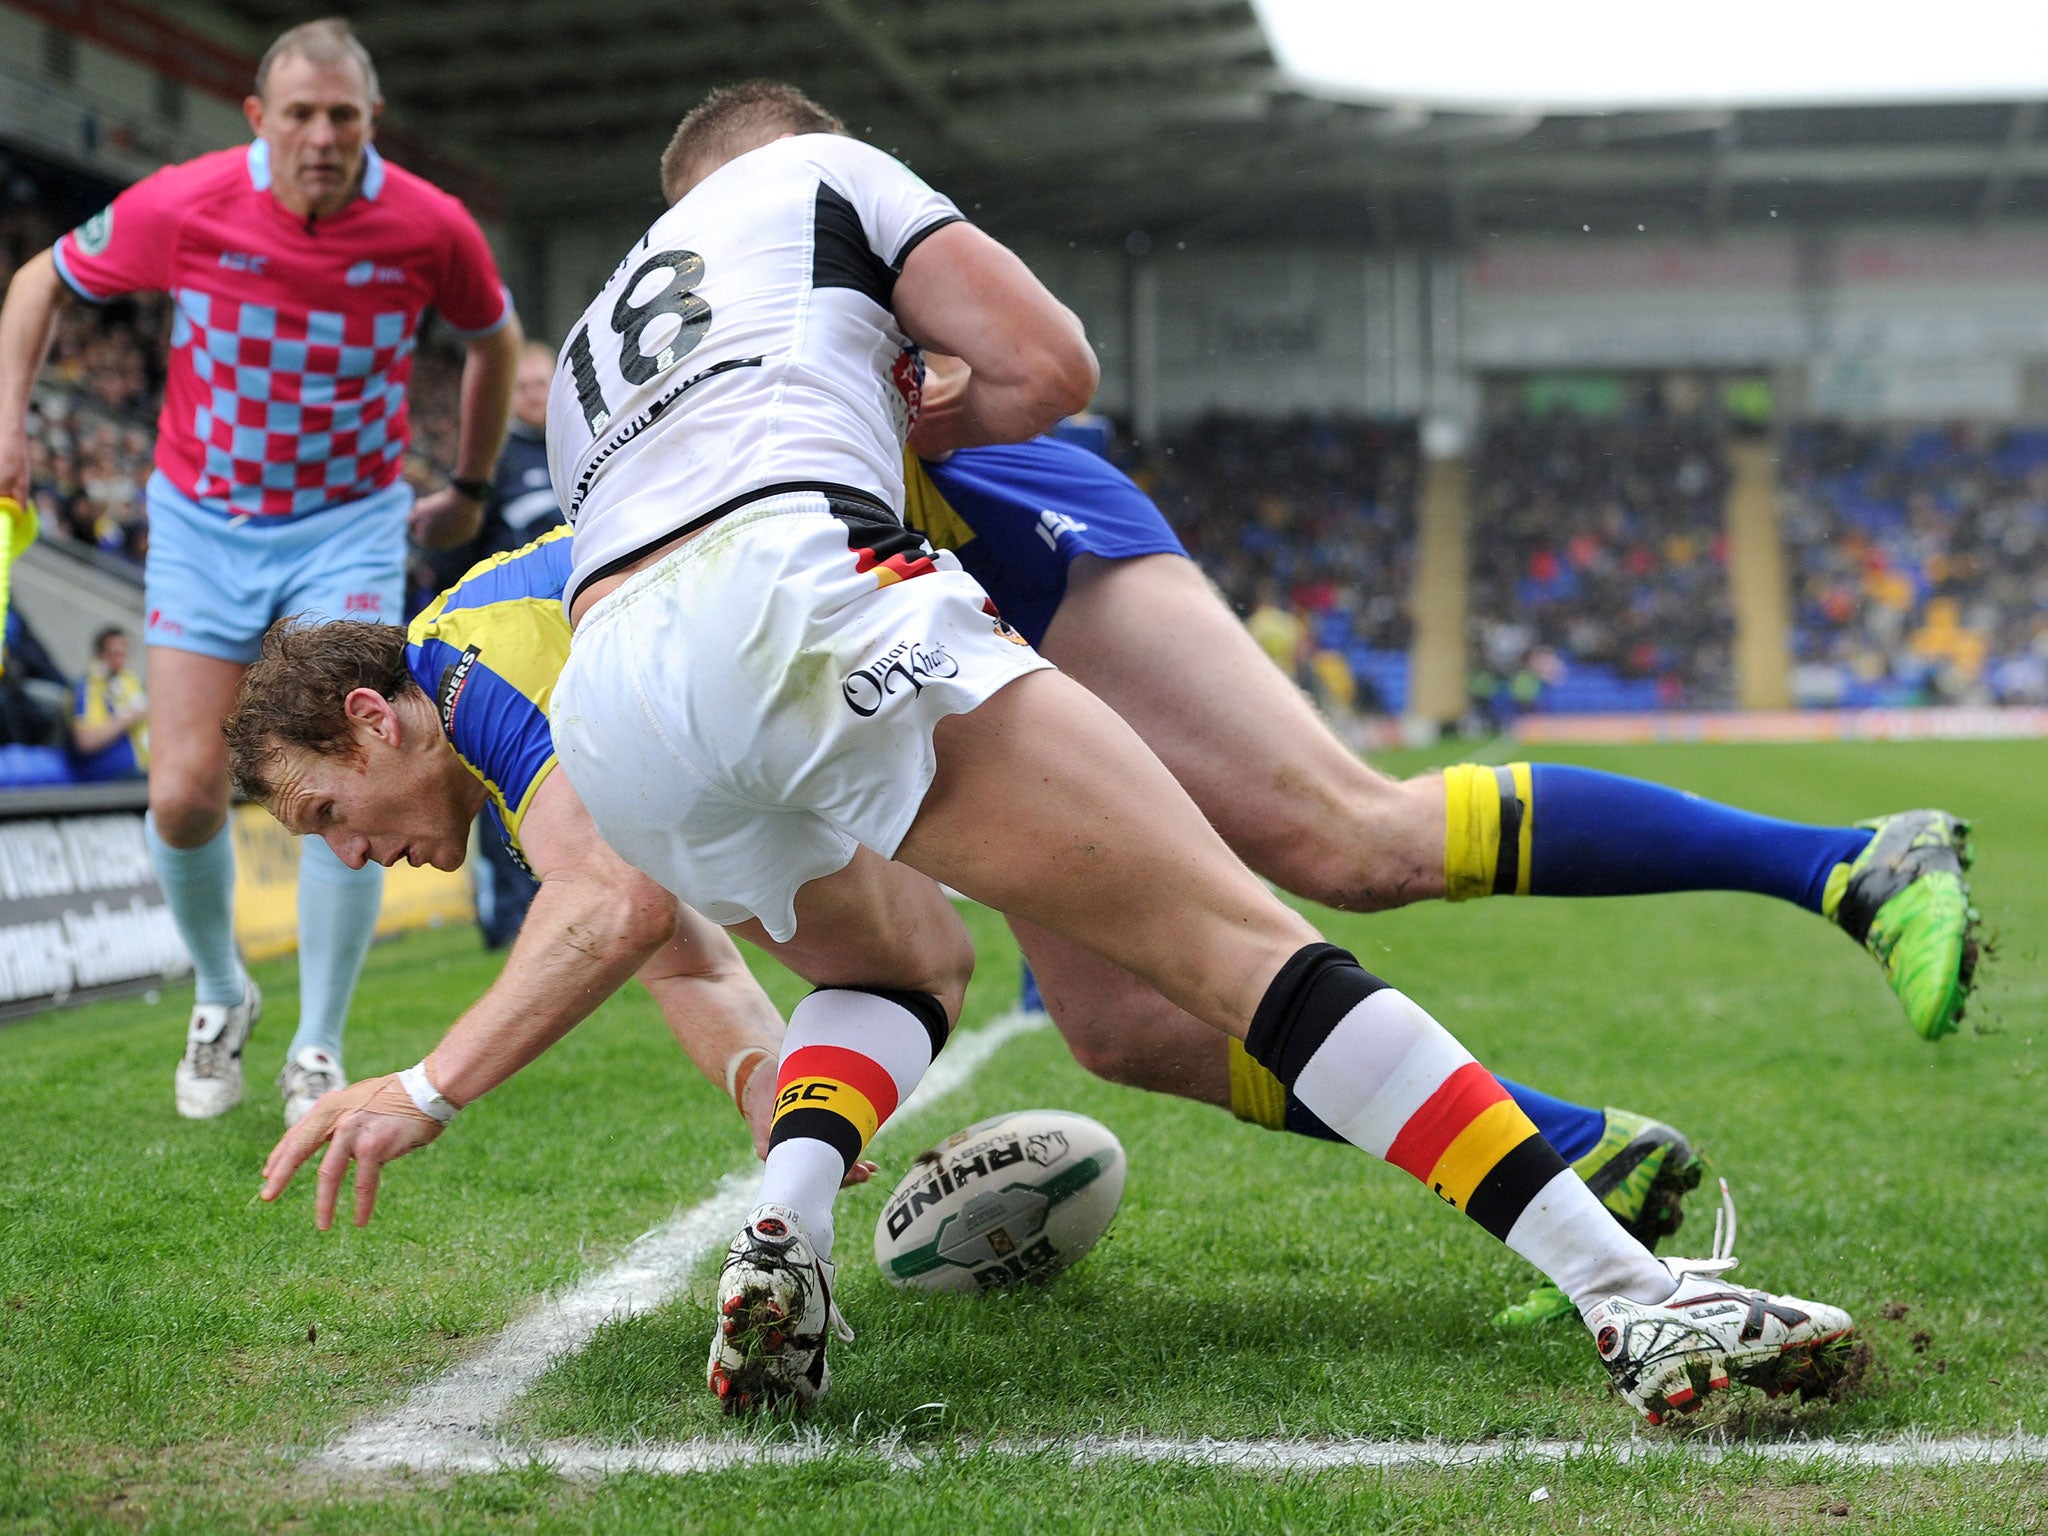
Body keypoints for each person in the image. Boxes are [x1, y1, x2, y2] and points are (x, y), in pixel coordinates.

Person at [533, 82, 1849, 1422]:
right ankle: (1637, 1300)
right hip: (798, 583)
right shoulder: (829, 173)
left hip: (617, 705)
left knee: (896, 971)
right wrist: (914, 407)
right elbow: (1053, 370)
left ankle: (786, 1235)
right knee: (1250, 951)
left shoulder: (591, 338)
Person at [234, 532, 1701, 1333]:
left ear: (373, 721)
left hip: (923, 601)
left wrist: (424, 1091)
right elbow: (671, 940)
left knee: (1279, 906)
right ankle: (785, 1230)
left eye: (325, 816)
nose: (354, 854)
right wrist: (781, 1104)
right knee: (1004, 990)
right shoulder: (501, 707)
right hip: (817, 653)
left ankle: (1609, 1237)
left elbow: (608, 908)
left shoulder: (465, 657)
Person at [898, 426, 1979, 1323]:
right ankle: (1584, 1157)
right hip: (890, 616)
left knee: (1347, 841)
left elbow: (1042, 354)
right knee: (1122, 1026)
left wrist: (935, 373)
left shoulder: (807, 204)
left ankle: (1851, 864)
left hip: (988, 529)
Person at [0, 19, 522, 1124]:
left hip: (348, 524)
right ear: (260, 119)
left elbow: (493, 339)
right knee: (184, 789)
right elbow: (39, 280)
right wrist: (8, 423)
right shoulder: (186, 202)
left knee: (351, 768)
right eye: (301, 114)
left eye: (343, 116)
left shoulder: (430, 226)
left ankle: (318, 1049)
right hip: (202, 520)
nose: (322, 136)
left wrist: (470, 484)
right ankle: (222, 992)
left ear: (370, 123)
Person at [69, 624, 147, 781]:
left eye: (124, 655)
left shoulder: (129, 680)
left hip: (144, 767)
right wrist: (127, 718)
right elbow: (86, 741)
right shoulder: (90, 687)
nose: (120, 661)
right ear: (100, 655)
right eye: (114, 655)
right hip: (109, 775)